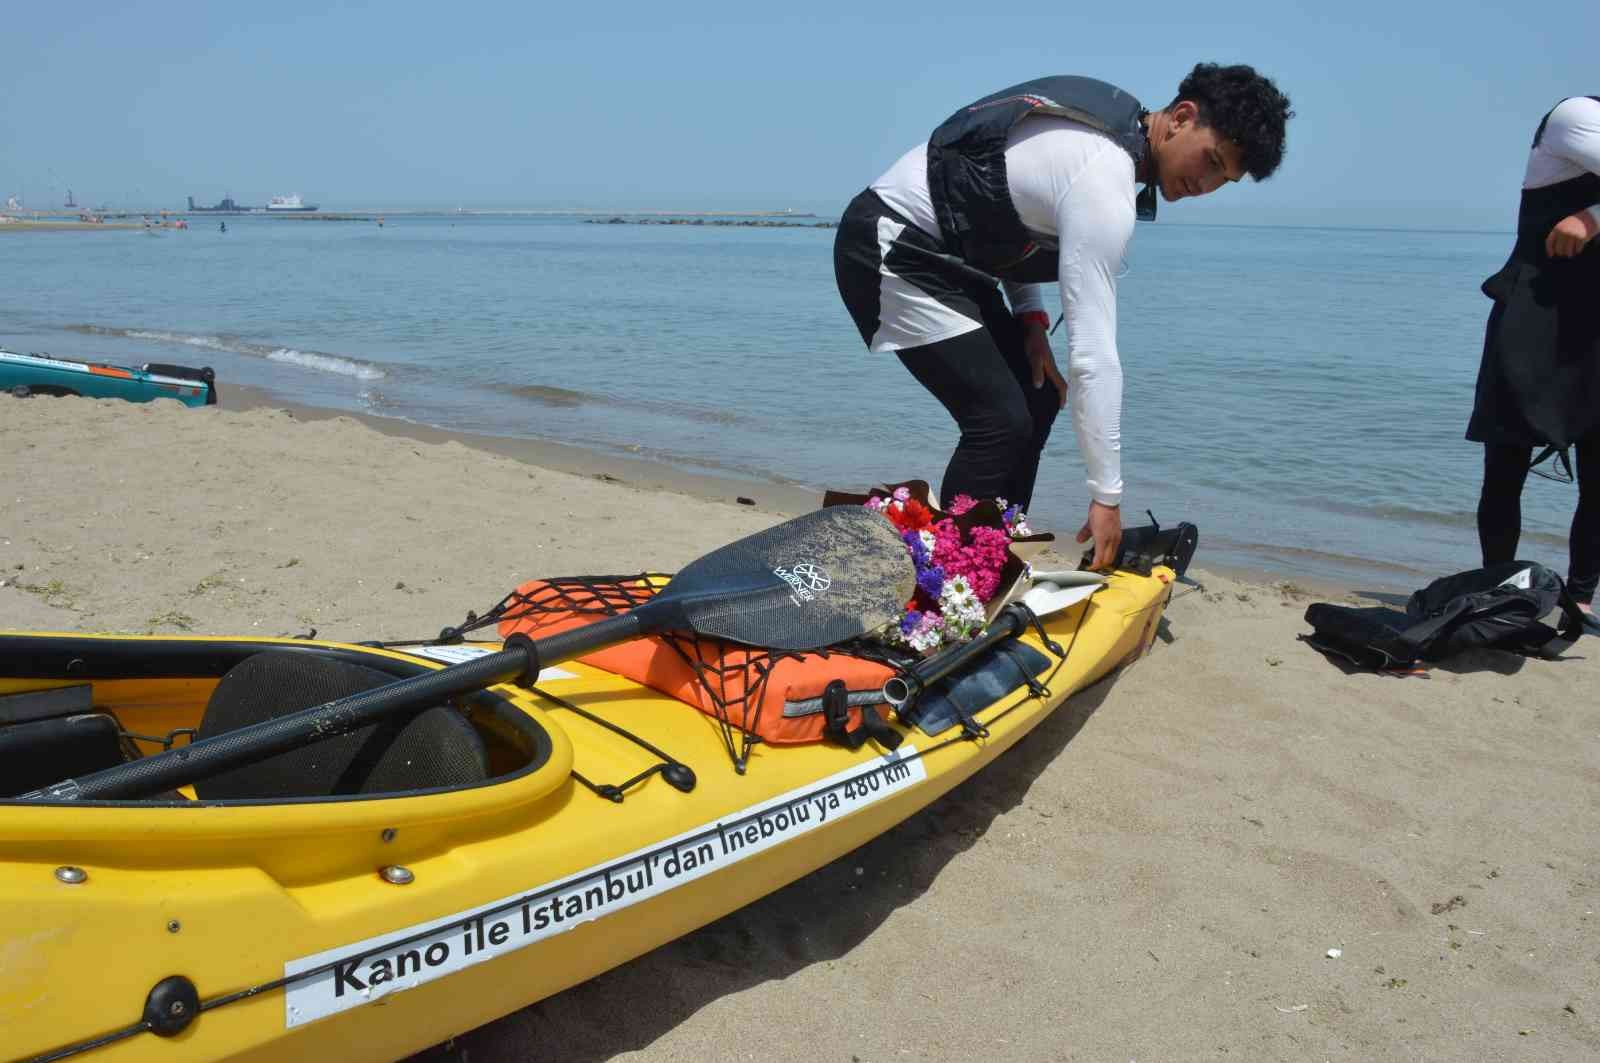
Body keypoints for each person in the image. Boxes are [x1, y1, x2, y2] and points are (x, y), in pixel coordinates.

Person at [834, 64, 1292, 569]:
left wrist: (1031, 322)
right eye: (1210, 160)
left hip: (945, 257)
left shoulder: (1108, 139)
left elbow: (1001, 216)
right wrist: (1106, 498)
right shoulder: (1102, 176)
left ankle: (994, 544)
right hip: (890, 244)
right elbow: (1094, 356)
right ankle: (954, 576)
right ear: (1182, 117)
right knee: (998, 419)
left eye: (1222, 180)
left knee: (1039, 393)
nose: (1205, 185)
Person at [1466, 95, 1600, 628]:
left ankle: (1581, 598)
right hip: (1535, 311)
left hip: (1593, 321)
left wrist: (1592, 217)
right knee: (1505, 465)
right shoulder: (1577, 115)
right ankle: (1498, 587)